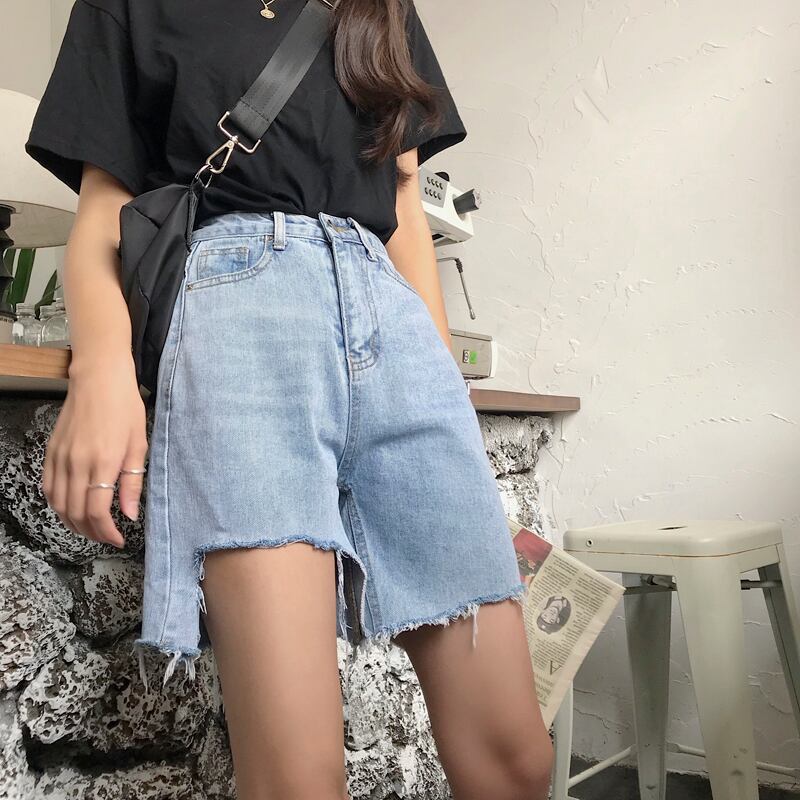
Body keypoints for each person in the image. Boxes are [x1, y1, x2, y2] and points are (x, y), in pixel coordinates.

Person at [26, 1, 554, 797]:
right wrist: (101, 371)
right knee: (296, 779)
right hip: (241, 317)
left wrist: (443, 379)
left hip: (393, 320)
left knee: (517, 759)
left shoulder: (379, 5)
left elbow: (404, 199)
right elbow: (106, 204)